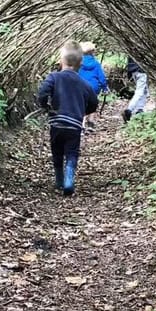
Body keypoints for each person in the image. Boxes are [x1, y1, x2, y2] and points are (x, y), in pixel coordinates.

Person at [36, 41, 98, 196]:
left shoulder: (54, 77)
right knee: (72, 152)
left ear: (61, 61)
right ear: (80, 64)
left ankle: (59, 180)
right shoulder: (84, 84)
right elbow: (93, 103)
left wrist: (45, 105)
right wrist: (83, 111)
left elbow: (43, 91)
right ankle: (69, 181)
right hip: (74, 124)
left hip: (56, 121)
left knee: (56, 150)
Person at [78, 42, 109, 129]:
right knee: (92, 103)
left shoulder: (78, 63)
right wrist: (105, 87)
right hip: (93, 87)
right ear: (92, 52)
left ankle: (82, 124)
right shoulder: (96, 64)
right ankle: (91, 123)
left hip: (81, 86)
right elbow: (101, 78)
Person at [122, 56, 149, 123]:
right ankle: (128, 110)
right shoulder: (141, 47)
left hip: (134, 72)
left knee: (144, 91)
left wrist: (129, 75)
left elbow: (129, 62)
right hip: (141, 71)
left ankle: (140, 110)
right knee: (139, 92)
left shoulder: (131, 49)